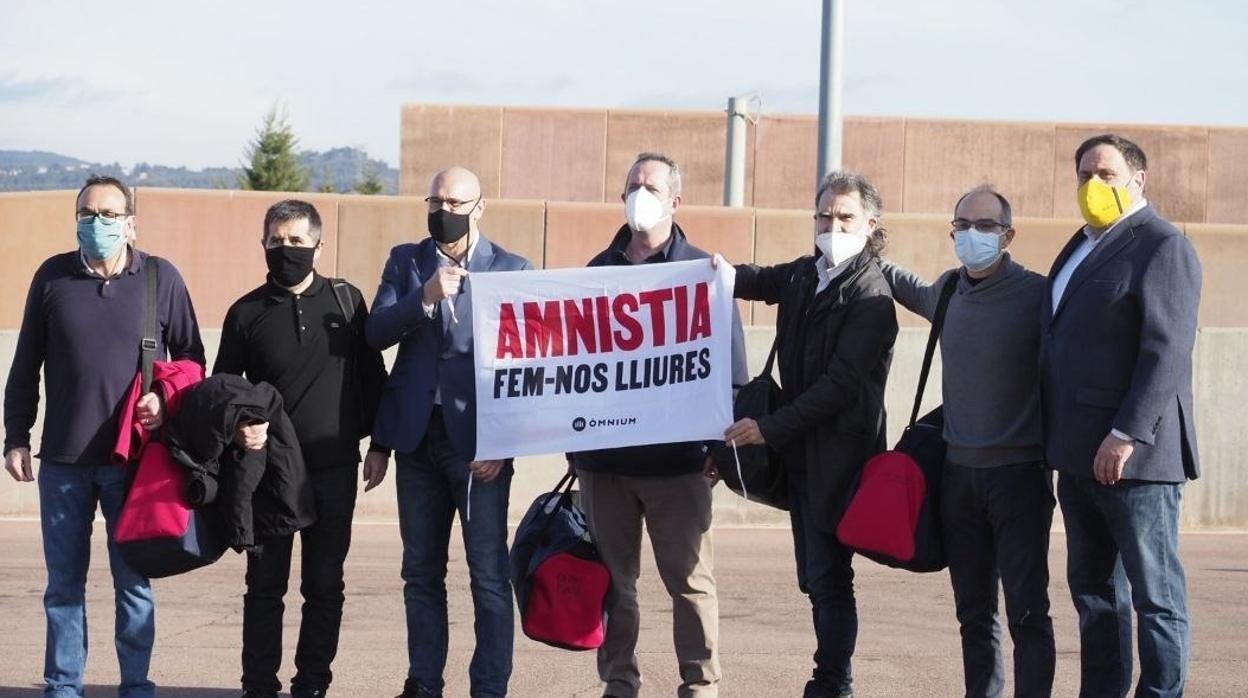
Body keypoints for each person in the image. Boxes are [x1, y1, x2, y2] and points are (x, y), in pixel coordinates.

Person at [3, 175, 205, 697]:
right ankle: (63, 686)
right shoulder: (52, 277)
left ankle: (135, 686)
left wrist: (164, 399)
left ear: (131, 222)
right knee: (63, 588)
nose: (97, 224)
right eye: (88, 215)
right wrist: (16, 435)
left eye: (109, 215)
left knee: (134, 586)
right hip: (64, 462)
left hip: (133, 463)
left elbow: (192, 360)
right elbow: (26, 363)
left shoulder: (161, 278)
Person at [571, 152, 748, 698]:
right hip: (607, 467)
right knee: (615, 585)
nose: (637, 195)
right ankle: (619, 682)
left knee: (691, 583)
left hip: (680, 466)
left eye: (648, 186)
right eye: (630, 185)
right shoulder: (596, 273)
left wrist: (723, 445)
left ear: (675, 200)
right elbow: (573, 369)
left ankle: (701, 683)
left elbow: (732, 372)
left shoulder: (706, 273)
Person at [723, 170, 898, 698]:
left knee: (828, 577)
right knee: (816, 576)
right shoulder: (805, 274)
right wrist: (705, 270)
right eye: (824, 214)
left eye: (844, 216)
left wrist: (767, 428)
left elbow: (840, 387)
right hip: (800, 452)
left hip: (841, 459)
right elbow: (754, 279)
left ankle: (832, 682)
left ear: (871, 223)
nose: (832, 224)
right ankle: (830, 677)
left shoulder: (871, 295)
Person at [1042, 134, 1201, 698]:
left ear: (1139, 179)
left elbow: (1166, 351)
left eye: (1106, 174)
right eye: (1085, 173)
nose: (1093, 185)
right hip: (1077, 456)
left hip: (1135, 460)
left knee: (1156, 595)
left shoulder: (1162, 246)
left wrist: (1126, 431)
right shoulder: (1081, 244)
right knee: (1095, 595)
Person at [881, 186, 1054, 697]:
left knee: (1026, 610)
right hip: (958, 477)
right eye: (963, 225)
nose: (973, 235)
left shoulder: (1038, 295)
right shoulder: (949, 292)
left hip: (1019, 478)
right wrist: (858, 242)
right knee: (974, 613)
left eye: (986, 226)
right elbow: (903, 284)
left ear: (1009, 235)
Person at [367, 166, 533, 698]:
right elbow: (375, 333)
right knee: (420, 572)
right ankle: (424, 683)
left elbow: (528, 369)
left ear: (479, 208)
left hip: (479, 446)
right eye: (434, 199)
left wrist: (504, 446)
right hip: (415, 437)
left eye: (454, 201)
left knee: (487, 574)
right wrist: (425, 297)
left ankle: (489, 688)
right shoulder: (406, 261)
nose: (442, 209)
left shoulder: (511, 268)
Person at [214, 199, 389, 698]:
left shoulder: (347, 301)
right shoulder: (244, 312)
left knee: (324, 588)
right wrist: (239, 426)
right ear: (264, 243)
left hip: (334, 468)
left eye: (296, 241)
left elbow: (373, 378)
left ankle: (312, 684)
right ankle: (258, 686)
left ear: (318, 243)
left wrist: (381, 445)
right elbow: (224, 389)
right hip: (269, 473)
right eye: (276, 240)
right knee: (265, 587)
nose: (285, 249)